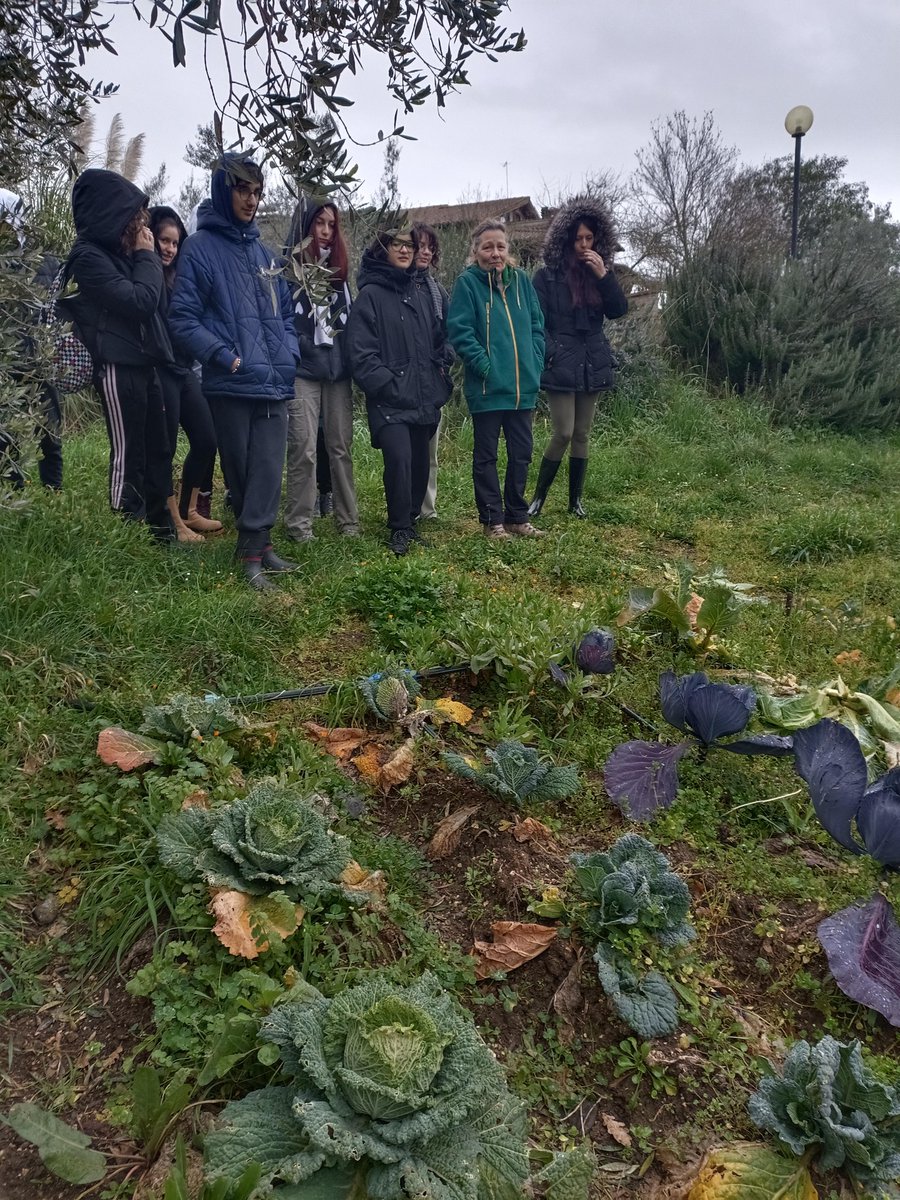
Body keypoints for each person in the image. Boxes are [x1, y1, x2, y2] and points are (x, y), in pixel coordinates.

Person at [168, 154, 300, 591]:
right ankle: (251, 551)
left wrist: (289, 353)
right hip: (232, 381)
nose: (252, 200)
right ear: (224, 191)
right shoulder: (199, 248)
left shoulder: (265, 254)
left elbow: (284, 315)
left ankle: (259, 547)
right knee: (243, 470)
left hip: (274, 379)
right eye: (243, 190)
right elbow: (182, 318)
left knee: (267, 468)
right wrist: (226, 358)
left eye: (258, 192)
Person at [62, 169, 175, 539]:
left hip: (144, 362)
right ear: (112, 215)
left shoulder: (124, 254)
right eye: (134, 218)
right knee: (130, 454)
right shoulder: (88, 258)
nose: (141, 225)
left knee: (158, 448)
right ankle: (128, 534)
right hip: (115, 364)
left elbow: (154, 299)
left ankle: (160, 532)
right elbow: (140, 302)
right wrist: (147, 256)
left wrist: (145, 259)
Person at [346, 228, 452, 556]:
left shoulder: (421, 292)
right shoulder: (370, 296)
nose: (406, 251)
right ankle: (398, 529)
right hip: (390, 399)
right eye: (398, 245)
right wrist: (388, 385)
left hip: (422, 396)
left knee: (420, 462)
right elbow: (360, 354)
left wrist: (443, 364)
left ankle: (411, 521)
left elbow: (441, 335)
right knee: (399, 459)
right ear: (383, 249)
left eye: (409, 245)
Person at [528, 198, 628, 519]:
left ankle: (575, 502)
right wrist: (551, 352)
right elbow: (536, 320)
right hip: (560, 361)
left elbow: (617, 311)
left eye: (589, 238)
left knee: (582, 433)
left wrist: (604, 277)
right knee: (564, 432)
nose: (584, 245)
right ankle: (538, 499)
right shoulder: (547, 276)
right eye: (578, 239)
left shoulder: (601, 272)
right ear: (566, 240)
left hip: (592, 358)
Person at [447, 219, 545, 539]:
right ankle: (493, 521)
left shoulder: (522, 281)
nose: (495, 253)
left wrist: (535, 362)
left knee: (522, 453)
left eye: (500, 246)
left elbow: (536, 326)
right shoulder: (467, 284)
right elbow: (460, 333)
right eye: (487, 247)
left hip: (522, 389)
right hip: (488, 388)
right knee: (486, 457)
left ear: (508, 250)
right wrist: (485, 367)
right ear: (475, 251)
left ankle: (517, 516)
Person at [283, 195, 359, 541]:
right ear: (305, 224)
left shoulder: (340, 275)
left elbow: (350, 325)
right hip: (303, 371)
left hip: (338, 372)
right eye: (319, 223)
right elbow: (284, 323)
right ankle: (300, 526)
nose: (326, 231)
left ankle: (349, 523)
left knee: (341, 448)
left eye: (332, 224)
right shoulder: (289, 271)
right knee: (304, 447)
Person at [148, 205, 222, 540]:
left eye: (175, 243)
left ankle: (188, 511)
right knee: (163, 447)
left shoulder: (181, 277)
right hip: (158, 369)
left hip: (184, 368)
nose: (169, 248)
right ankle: (171, 519)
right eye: (164, 240)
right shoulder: (147, 274)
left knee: (207, 438)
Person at [411, 221, 451, 521]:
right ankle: (405, 505)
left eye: (429, 247)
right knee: (405, 452)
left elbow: (450, 333)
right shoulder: (395, 285)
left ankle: (427, 508)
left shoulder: (438, 291)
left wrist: (444, 359)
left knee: (431, 451)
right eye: (419, 245)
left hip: (433, 379)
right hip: (405, 381)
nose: (424, 252)